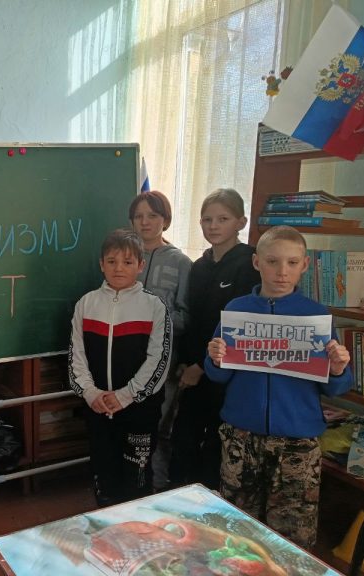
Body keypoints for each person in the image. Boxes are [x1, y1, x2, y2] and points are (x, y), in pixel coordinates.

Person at [206, 225, 352, 548]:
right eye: (272, 262)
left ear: (304, 265)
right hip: (241, 437)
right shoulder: (236, 310)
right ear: (257, 262)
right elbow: (219, 376)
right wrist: (215, 358)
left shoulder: (316, 316)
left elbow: (336, 388)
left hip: (297, 442)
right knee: (236, 531)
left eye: (291, 262)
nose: (282, 272)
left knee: (291, 538)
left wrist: (338, 369)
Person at [69, 229, 172, 506]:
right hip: (98, 408)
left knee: (137, 477)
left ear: (141, 266)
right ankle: (106, 524)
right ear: (101, 264)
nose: (118, 268)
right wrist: (91, 393)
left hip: (139, 409)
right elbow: (77, 355)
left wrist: (126, 395)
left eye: (127, 262)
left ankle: (136, 526)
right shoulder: (86, 304)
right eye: (111, 261)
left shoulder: (154, 306)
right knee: (104, 474)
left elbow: (159, 360)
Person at [170, 188, 260, 490]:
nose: (213, 226)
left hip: (226, 373)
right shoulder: (199, 266)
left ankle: (210, 498)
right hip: (194, 369)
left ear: (240, 222)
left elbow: (237, 326)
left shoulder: (249, 264)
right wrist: (187, 361)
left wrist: (201, 365)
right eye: (206, 219)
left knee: (215, 444)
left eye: (223, 219)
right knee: (184, 438)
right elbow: (193, 319)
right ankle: (180, 493)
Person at [129, 190, 191, 492]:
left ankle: (155, 489)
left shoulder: (181, 262)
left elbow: (186, 316)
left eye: (152, 216)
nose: (145, 222)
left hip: (164, 362)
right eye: (138, 216)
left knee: (158, 428)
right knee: (128, 424)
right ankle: (130, 485)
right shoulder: (124, 257)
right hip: (126, 359)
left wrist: (155, 321)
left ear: (165, 220)